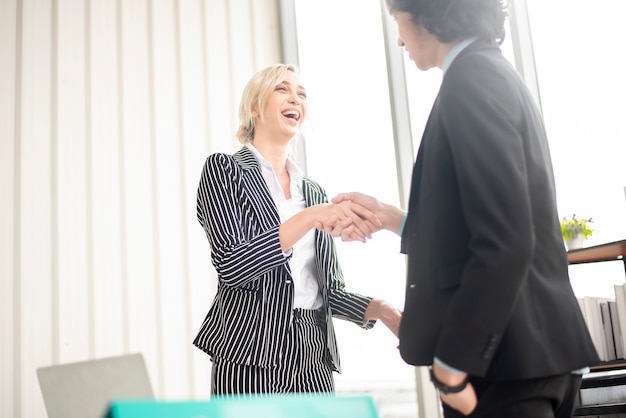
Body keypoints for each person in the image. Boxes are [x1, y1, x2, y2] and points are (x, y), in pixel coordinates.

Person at [328, 0, 600, 416]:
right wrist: (388, 217)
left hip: (506, 368)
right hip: (528, 359)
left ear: (428, 12)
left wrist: (453, 365)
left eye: (398, 20)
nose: (399, 38)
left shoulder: (470, 82)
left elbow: (506, 240)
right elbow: (482, 226)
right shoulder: (488, 73)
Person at [193, 63, 402, 396]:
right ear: (254, 107)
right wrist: (310, 218)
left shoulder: (314, 193)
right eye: (283, 89)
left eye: (302, 93)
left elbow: (329, 291)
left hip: (314, 350)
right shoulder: (225, 169)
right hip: (251, 349)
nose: (296, 98)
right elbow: (233, 265)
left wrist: (381, 309)